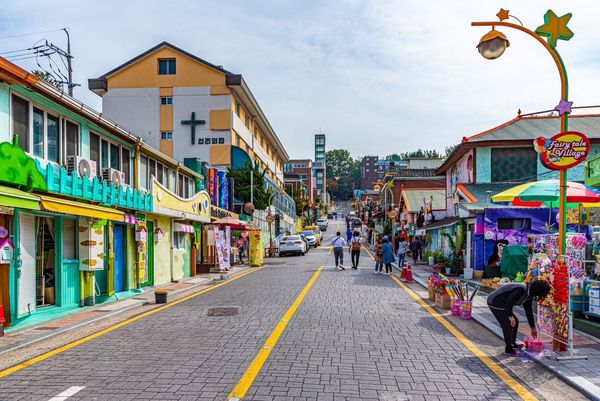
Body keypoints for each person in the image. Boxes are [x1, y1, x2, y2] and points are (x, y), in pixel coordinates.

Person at [487, 280, 551, 356]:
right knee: (508, 323)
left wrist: (532, 327)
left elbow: (528, 310)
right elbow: (509, 303)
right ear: (538, 291)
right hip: (495, 301)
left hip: (503, 303)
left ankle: (512, 344)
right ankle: (509, 349)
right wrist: (510, 317)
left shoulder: (529, 294)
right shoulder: (521, 290)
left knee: (515, 321)